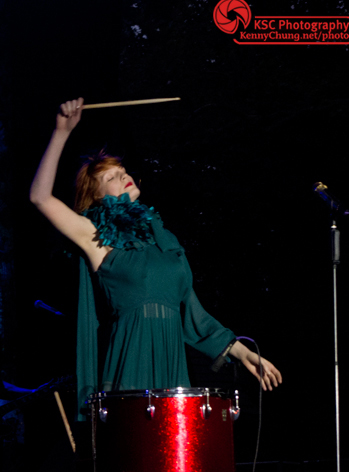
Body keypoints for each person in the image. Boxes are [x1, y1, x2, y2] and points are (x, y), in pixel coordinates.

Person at [30, 97, 282, 421]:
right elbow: (39, 197)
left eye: (123, 170)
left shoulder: (166, 243)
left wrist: (243, 352)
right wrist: (61, 132)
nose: (123, 176)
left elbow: (194, 315)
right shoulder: (96, 238)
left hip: (172, 364)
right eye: (110, 177)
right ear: (95, 195)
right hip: (129, 364)